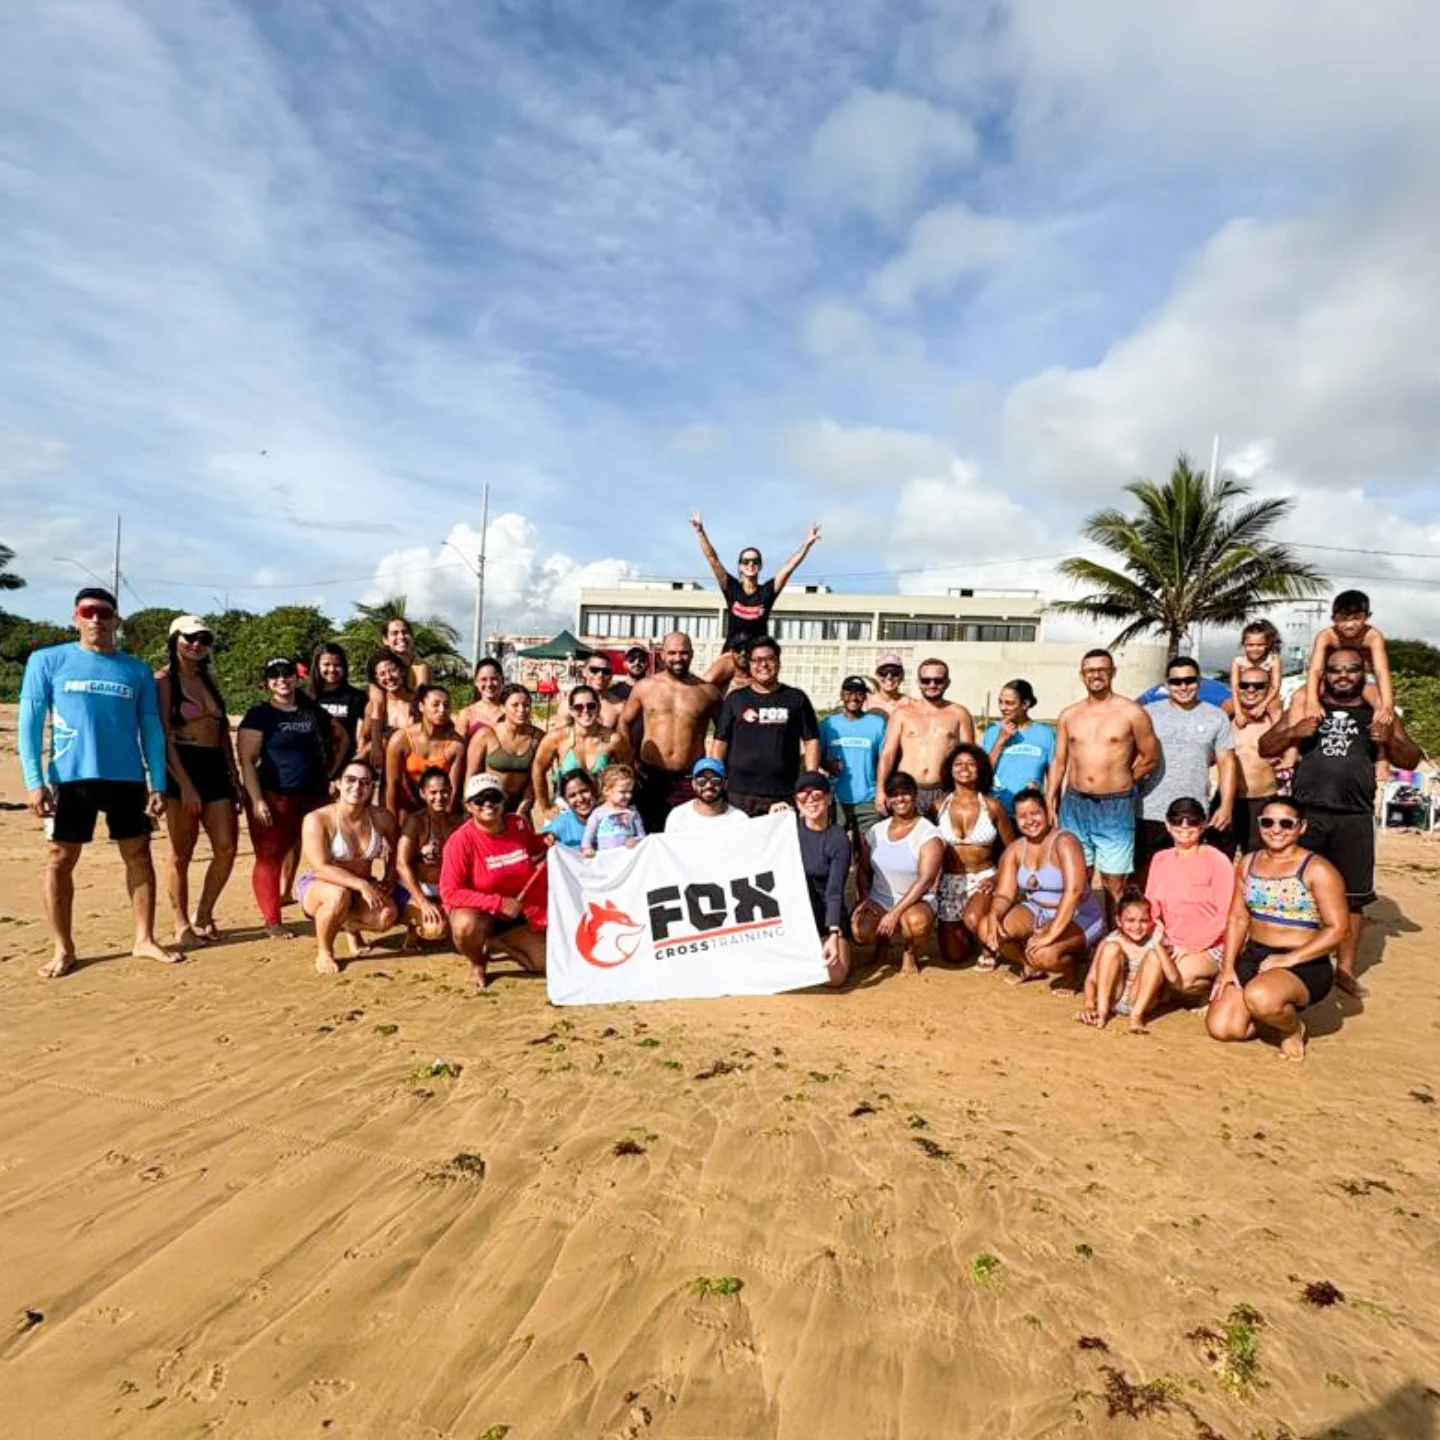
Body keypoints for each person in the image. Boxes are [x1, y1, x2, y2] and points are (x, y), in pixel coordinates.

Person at [19, 586, 179, 977]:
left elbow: (151, 728)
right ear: (75, 617)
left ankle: (143, 938)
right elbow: (30, 723)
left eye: (104, 613)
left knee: (138, 855)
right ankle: (63, 948)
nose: (96, 619)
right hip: (70, 778)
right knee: (60, 858)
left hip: (126, 777)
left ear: (116, 621)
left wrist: (157, 782)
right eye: (88, 612)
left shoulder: (136, 669)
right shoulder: (47, 661)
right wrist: (35, 781)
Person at [1259, 646, 1421, 997]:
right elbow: (1265, 746)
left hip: (1354, 816)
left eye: (1351, 669)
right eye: (1335, 670)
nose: (1343, 675)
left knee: (1353, 898)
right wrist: (1294, 731)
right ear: (1325, 673)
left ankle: (1345, 970)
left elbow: (1410, 759)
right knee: (1294, 888)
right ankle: (1294, 956)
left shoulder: (1378, 712)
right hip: (1306, 815)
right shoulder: (1308, 705)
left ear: (1363, 672)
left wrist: (1389, 738)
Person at [1206, 797, 1349, 1062]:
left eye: (1286, 823)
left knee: (1260, 997)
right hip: (1256, 954)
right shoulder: (1248, 862)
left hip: (1304, 960)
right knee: (1223, 1028)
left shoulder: (1317, 869)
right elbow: (1238, 918)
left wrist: (1288, 959)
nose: (1276, 829)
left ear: (1301, 827)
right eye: (1268, 822)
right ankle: (1265, 1014)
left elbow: (1338, 929)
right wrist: (1226, 969)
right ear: (1259, 825)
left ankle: (1292, 1029)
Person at [237, 657, 345, 938]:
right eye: (274, 675)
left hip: (314, 796)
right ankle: (272, 919)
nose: (282, 680)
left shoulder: (312, 711)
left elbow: (342, 737)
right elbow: (247, 761)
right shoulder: (259, 714)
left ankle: (339, 909)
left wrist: (334, 773)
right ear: (267, 682)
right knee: (269, 857)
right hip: (275, 795)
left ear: (296, 678)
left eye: (287, 674)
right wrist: (257, 799)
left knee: (327, 854)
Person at [1047, 649, 1160, 913]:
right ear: (1082, 675)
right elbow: (1059, 761)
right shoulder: (1069, 715)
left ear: (1113, 673)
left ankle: (1114, 942)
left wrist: (1123, 781)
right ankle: (1080, 937)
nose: (1095, 675)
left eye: (1101, 669)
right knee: (1076, 875)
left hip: (1114, 807)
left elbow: (1150, 757)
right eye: (1089, 670)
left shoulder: (1132, 712)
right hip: (1074, 804)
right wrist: (1050, 798)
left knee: (1113, 881)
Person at [155, 615, 239, 947]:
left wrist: (234, 778)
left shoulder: (209, 680)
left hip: (214, 765)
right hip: (181, 765)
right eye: (190, 638)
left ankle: (204, 913)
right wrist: (183, 783)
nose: (197, 645)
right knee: (181, 852)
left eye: (203, 639)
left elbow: (221, 735)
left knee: (226, 848)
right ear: (174, 639)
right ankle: (181, 924)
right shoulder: (163, 681)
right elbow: (160, 735)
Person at [1124, 796, 1237, 1033]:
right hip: (1171, 941)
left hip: (1210, 945)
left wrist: (1192, 946)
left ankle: (1204, 991)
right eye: (1177, 821)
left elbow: (1225, 916)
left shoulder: (1217, 860)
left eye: (1192, 821)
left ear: (1203, 824)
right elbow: (1152, 907)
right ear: (1167, 825)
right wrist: (1152, 937)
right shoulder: (1160, 859)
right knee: (1139, 989)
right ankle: (1143, 1008)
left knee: (1181, 977)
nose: (1184, 826)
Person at [980, 787, 1105, 991]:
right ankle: (1030, 966)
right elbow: (1004, 893)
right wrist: (994, 915)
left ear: (1048, 812)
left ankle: (1071, 971)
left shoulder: (1065, 842)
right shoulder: (1016, 849)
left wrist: (1051, 933)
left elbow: (1074, 892)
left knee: (1043, 953)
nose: (1029, 821)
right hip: (1037, 909)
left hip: (1077, 914)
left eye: (1035, 813)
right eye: (1022, 816)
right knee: (988, 928)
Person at [440, 772, 549, 989]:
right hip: (482, 914)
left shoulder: (517, 824)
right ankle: (478, 963)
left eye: (494, 797)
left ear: (503, 800)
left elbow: (535, 847)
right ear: (469, 806)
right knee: (464, 926)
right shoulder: (460, 841)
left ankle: (496, 943)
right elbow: (449, 892)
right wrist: (497, 903)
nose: (488, 804)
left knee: (542, 964)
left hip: (519, 912)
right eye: (479, 800)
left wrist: (553, 838)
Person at [690, 510, 821, 686]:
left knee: (758, 695)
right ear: (740, 566)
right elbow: (713, 559)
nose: (750, 564)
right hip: (732, 653)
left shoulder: (767, 591)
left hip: (757, 657)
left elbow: (789, 567)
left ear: (759, 566)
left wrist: (807, 544)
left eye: (755, 561)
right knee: (705, 684)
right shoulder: (732, 588)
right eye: (746, 561)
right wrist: (700, 532)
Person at [296, 760, 401, 975]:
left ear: (372, 787)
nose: (357, 787)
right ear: (337, 784)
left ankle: (350, 927)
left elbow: (398, 849)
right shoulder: (318, 819)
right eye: (350, 780)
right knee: (338, 896)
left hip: (361, 886)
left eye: (364, 782)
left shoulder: (382, 817)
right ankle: (325, 950)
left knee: (387, 916)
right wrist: (361, 884)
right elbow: (320, 867)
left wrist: (390, 876)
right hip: (321, 886)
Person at [1136, 655, 1237, 874]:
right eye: (1176, 682)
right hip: (1150, 811)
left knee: (1189, 876)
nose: (1183, 687)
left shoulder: (1216, 717)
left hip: (1192, 814)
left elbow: (1227, 763)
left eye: (1189, 680)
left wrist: (1226, 805)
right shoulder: (1147, 715)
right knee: (1147, 876)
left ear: (1199, 682)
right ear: (1166, 684)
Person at [619, 632, 722, 833]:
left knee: (686, 835)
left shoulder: (708, 692)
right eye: (672, 653)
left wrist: (714, 765)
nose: (677, 658)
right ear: (662, 655)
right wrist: (629, 759)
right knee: (648, 836)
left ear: (692, 655)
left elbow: (724, 733)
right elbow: (624, 721)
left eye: (683, 653)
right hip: (650, 775)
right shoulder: (645, 687)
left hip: (690, 777)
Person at [712, 636, 821, 817]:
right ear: (749, 664)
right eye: (757, 660)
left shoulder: (796, 698)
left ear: (779, 662)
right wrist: (716, 778)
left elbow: (811, 741)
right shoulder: (735, 699)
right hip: (738, 793)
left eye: (769, 659)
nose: (763, 665)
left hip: (783, 792)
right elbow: (719, 742)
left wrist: (810, 779)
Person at [852, 772, 943, 976]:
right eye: (894, 794)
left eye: (905, 793)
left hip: (917, 900)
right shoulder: (876, 830)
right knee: (860, 931)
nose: (900, 799)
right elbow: (863, 870)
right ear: (888, 798)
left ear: (915, 795)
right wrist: (865, 900)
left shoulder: (928, 833)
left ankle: (910, 952)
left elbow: (926, 880)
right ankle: (882, 946)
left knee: (915, 924)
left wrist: (895, 913)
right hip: (880, 899)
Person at [935, 743, 1015, 969]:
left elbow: (1012, 852)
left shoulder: (993, 806)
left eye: (971, 764)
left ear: (981, 770)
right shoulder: (938, 807)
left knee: (972, 919)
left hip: (984, 879)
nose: (964, 769)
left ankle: (988, 939)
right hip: (950, 882)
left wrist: (997, 879)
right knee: (953, 955)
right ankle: (974, 932)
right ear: (949, 770)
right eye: (958, 764)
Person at [875, 658, 975, 819]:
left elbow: (969, 758)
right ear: (918, 682)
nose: (932, 685)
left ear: (947, 682)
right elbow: (888, 754)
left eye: (938, 680)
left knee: (944, 841)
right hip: (907, 789)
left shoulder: (959, 713)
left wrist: (968, 793)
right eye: (926, 680)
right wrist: (880, 790)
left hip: (944, 790)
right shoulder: (902, 714)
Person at [531, 684, 629, 817]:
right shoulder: (557, 738)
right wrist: (545, 808)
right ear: (571, 710)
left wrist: (620, 802)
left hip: (600, 810)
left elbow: (627, 772)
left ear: (599, 708)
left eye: (591, 706)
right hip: (565, 810)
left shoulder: (613, 740)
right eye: (578, 707)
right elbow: (538, 769)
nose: (585, 710)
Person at [1077, 890, 1168, 1029]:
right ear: (1119, 921)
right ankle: (1102, 1011)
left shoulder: (1154, 943)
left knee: (1155, 957)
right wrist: (1089, 1004)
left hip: (1139, 1000)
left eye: (1143, 921)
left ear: (1151, 921)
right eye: (1130, 920)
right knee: (1110, 948)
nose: (1137, 926)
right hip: (1114, 997)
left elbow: (1174, 980)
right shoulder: (1111, 940)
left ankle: (1136, 1016)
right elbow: (1091, 979)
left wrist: (1158, 945)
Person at [793, 771, 851, 987]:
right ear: (796, 803)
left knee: (834, 977)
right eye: (803, 796)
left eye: (817, 795)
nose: (811, 800)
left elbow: (835, 890)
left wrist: (833, 933)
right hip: (796, 910)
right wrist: (774, 813)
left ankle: (828, 941)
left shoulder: (838, 839)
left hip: (827, 909)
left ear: (828, 799)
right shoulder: (786, 828)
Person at [395, 765, 463, 948]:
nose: (439, 797)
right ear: (423, 794)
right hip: (416, 888)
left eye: (444, 792)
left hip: (446, 889)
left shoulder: (459, 823)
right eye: (433, 792)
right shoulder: (415, 822)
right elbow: (401, 864)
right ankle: (412, 925)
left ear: (450, 791)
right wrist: (422, 901)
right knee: (436, 930)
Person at [1303, 590, 1393, 726]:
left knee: (1381, 705)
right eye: (1343, 619)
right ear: (1334, 619)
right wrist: (1311, 702)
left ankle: (1382, 745)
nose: (1350, 625)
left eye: (1357, 618)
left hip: (1362, 681)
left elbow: (1381, 671)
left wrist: (1387, 705)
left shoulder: (1373, 636)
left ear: (1367, 617)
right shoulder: (1326, 636)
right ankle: (1294, 746)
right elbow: (1315, 670)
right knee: (1299, 698)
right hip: (1329, 680)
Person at [819, 675, 888, 850]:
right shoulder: (829, 724)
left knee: (869, 851)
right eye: (849, 693)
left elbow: (885, 759)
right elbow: (814, 754)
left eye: (859, 693)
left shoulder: (878, 724)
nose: (854, 698)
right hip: (836, 798)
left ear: (865, 697)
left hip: (868, 798)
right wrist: (827, 764)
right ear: (842, 695)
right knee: (835, 849)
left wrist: (882, 791)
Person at [1231, 666, 1294, 851]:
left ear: (1268, 690)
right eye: (1245, 685)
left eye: (1258, 686)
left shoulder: (1275, 721)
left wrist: (1287, 756)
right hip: (1229, 799)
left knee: (1257, 859)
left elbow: (1293, 743)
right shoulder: (1227, 717)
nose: (1251, 690)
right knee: (1221, 857)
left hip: (1262, 800)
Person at [384, 684, 465, 826]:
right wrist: (390, 823)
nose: (441, 710)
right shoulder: (401, 739)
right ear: (421, 706)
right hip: (407, 804)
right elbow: (392, 785)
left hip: (440, 805)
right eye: (435, 705)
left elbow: (453, 790)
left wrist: (443, 824)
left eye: (446, 706)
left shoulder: (456, 745)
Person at [464, 683, 543, 820]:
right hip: (487, 804)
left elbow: (534, 778)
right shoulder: (486, 735)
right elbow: (471, 776)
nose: (522, 710)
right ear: (502, 707)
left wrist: (523, 808)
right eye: (515, 705)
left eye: (526, 705)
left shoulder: (537, 738)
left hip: (519, 804)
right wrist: (472, 809)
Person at [981, 679, 1056, 815]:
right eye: (1000, 702)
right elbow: (983, 773)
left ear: (1025, 704)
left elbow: (1054, 776)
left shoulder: (1046, 733)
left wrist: (1052, 807)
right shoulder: (992, 732)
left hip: (1031, 813)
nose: (1003, 708)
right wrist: (1001, 741)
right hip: (998, 812)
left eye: (1009, 703)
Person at [310, 642, 369, 763]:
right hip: (309, 764)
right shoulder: (304, 696)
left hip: (345, 764)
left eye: (337, 665)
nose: (332, 669)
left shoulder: (357, 697)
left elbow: (367, 734)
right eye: (326, 664)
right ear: (317, 666)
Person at [360, 649, 416, 771]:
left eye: (392, 671)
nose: (388, 677)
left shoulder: (418, 703)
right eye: (382, 674)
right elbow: (364, 737)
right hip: (383, 768)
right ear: (377, 679)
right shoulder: (375, 707)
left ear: (402, 671)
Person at [665, 756, 751, 832]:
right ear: (693, 784)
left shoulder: (740, 819)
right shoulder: (678, 816)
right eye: (701, 781)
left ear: (725, 784)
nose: (708, 785)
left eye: (715, 781)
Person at [580, 764, 646, 855]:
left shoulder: (632, 813)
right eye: (622, 792)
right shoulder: (599, 813)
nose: (628, 796)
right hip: (606, 859)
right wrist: (586, 848)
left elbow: (642, 836)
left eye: (630, 791)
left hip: (627, 858)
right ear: (607, 791)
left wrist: (636, 840)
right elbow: (589, 834)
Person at [1228, 620, 1284, 723]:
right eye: (1250, 645)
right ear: (1244, 644)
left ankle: (1278, 737)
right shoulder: (1238, 662)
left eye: (1260, 645)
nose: (1255, 649)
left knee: (1276, 711)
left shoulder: (1273, 661)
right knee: (1224, 708)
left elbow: (1275, 686)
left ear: (1267, 644)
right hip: (1243, 698)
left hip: (1268, 698)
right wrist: (1238, 711)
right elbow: (1235, 687)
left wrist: (1263, 705)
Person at [552, 654, 625, 729]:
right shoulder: (569, 704)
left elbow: (622, 738)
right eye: (594, 670)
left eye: (606, 671)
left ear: (611, 675)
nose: (600, 675)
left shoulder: (617, 706)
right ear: (584, 672)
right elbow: (557, 737)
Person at [541, 769, 600, 847]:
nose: (580, 799)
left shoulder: (610, 815)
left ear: (593, 789)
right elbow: (544, 839)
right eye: (572, 795)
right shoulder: (561, 824)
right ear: (565, 800)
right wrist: (549, 838)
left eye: (584, 791)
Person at [454, 656, 505, 740]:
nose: (489, 684)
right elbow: (458, 747)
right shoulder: (466, 714)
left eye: (494, 679)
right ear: (476, 682)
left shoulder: (511, 712)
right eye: (484, 679)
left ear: (502, 680)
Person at [378, 615, 432, 692]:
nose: (401, 637)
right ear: (385, 640)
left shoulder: (420, 666)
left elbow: (420, 697)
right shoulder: (379, 664)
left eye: (405, 632)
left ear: (412, 637)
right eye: (395, 633)